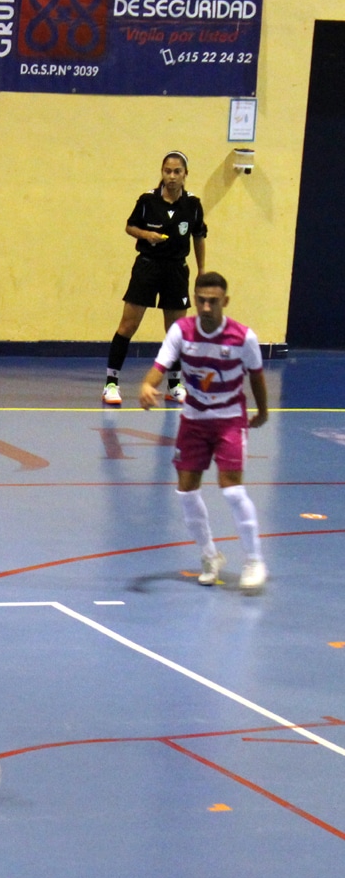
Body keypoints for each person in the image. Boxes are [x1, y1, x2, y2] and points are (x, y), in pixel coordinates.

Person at [139, 272, 268, 591]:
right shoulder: (181, 331)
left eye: (213, 301)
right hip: (194, 419)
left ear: (225, 301)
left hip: (229, 419)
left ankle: (254, 560)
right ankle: (210, 555)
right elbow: (161, 366)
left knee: (232, 489)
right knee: (185, 492)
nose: (206, 306)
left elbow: (256, 377)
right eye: (201, 300)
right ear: (195, 300)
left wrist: (263, 411)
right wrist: (146, 385)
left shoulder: (242, 337)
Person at [103, 151, 206, 405]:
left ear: (185, 175)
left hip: (176, 270)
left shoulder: (193, 205)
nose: (171, 176)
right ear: (162, 173)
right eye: (167, 171)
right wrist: (145, 235)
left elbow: (198, 236)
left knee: (175, 332)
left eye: (177, 172)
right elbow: (130, 226)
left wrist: (202, 271)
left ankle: (174, 384)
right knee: (128, 325)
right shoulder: (148, 200)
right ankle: (111, 383)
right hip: (147, 267)